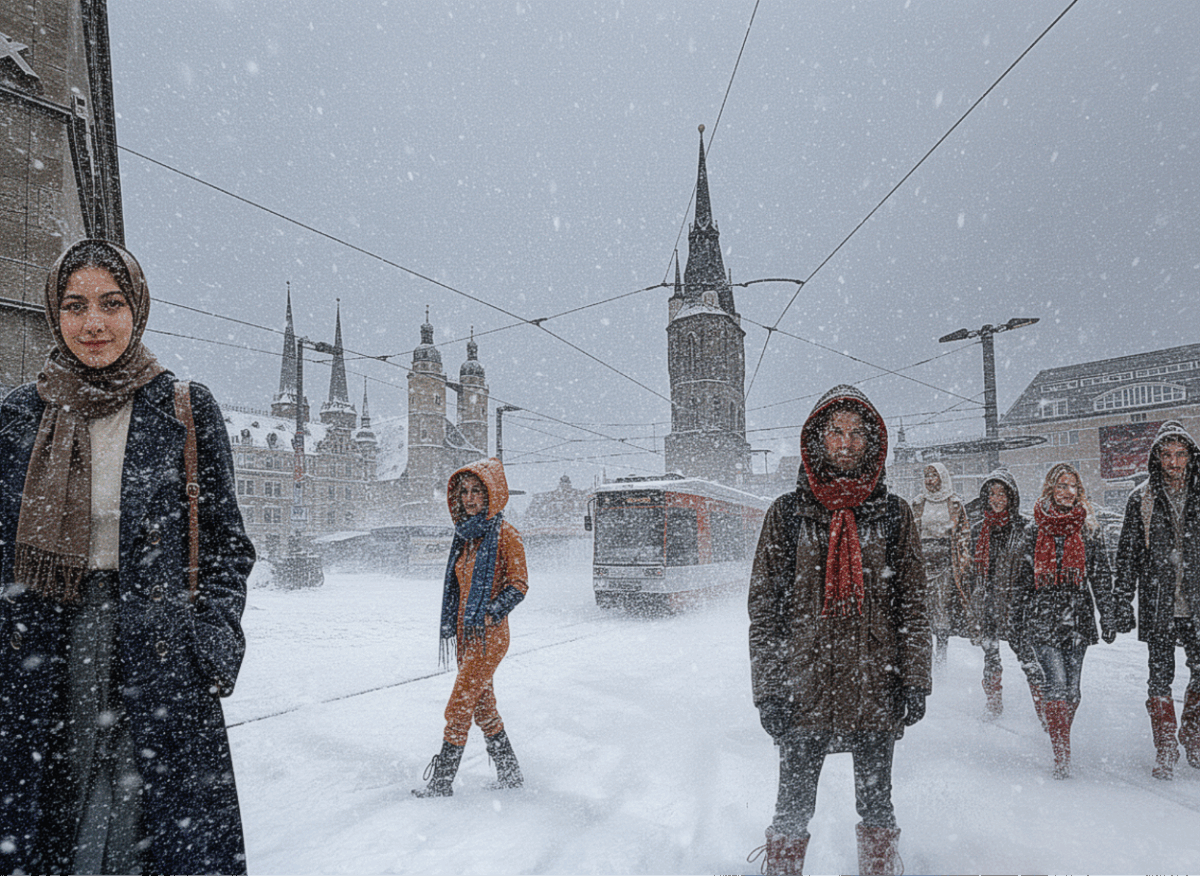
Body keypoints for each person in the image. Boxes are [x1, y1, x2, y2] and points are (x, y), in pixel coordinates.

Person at [0, 239, 254, 873]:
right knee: (55, 809)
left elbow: (226, 544)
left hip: (160, 648)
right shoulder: (18, 415)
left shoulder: (184, 408)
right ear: (54, 314)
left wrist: (213, 641)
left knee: (146, 819)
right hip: (44, 644)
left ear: (137, 309)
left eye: (111, 303)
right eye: (75, 305)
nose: (93, 323)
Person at [747, 386, 930, 876]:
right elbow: (765, 612)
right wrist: (770, 690)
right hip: (803, 687)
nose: (846, 442)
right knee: (791, 809)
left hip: (875, 684)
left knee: (877, 807)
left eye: (856, 433)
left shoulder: (894, 514)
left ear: (872, 442)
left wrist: (915, 679)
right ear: (817, 440)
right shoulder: (788, 514)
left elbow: (913, 605)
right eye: (835, 432)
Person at [413, 458, 529, 797]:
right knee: (483, 706)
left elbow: (519, 584)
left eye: (477, 490)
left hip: (489, 635)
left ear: (492, 493)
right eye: (463, 491)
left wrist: (492, 613)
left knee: (459, 705)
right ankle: (510, 773)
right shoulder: (465, 536)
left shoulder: (506, 535)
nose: (469, 498)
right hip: (466, 634)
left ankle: (441, 783)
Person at [1012, 462, 1115, 779]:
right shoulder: (1033, 530)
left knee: (1073, 691)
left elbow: (1100, 576)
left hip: (1077, 615)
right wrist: (1015, 621)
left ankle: (1058, 728)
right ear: (1050, 489)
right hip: (1042, 616)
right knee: (1056, 683)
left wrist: (1108, 615)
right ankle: (1061, 755)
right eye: (1061, 486)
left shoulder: (1088, 529)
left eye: (1073, 486)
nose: (1067, 492)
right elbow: (1021, 581)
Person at [1113, 421, 1200, 780]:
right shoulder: (1142, 499)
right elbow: (1127, 555)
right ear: (1157, 458)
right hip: (1159, 602)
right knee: (1159, 677)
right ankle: (1165, 746)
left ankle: (1192, 734)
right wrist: (1121, 600)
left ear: (1190, 457)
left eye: (1180, 454)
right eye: (1167, 455)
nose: (1174, 462)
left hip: (1197, 603)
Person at [968, 470, 1040, 721]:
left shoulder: (1025, 528)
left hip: (1017, 603)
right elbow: (972, 572)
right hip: (988, 601)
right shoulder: (979, 530)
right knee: (991, 656)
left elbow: (1032, 570)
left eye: (1002, 493)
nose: (996, 499)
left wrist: (1027, 600)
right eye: (992, 494)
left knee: (1028, 658)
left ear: (1011, 497)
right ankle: (993, 704)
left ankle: (1045, 711)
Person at [911, 462, 973, 666]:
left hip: (945, 563)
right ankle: (924, 654)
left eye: (933, 476)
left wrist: (963, 558)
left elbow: (963, 533)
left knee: (941, 606)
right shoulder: (918, 503)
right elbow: (911, 533)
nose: (929, 480)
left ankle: (941, 655)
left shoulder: (954, 503)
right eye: (926, 476)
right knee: (922, 608)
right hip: (922, 563)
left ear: (942, 478)